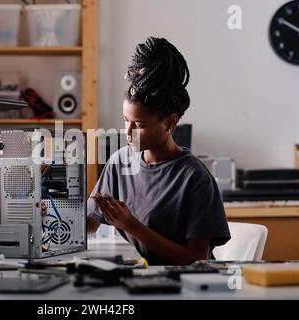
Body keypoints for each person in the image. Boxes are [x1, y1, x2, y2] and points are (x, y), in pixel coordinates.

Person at [87, 36, 230, 265]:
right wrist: (46, 213)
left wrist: (132, 226)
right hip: (140, 280)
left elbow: (196, 260)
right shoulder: (120, 162)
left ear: (170, 123)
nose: (128, 131)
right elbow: (88, 225)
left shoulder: (194, 179)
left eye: (139, 124)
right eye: (125, 120)